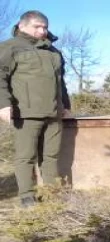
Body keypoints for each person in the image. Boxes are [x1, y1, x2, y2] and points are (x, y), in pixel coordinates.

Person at [0, 10, 71, 207]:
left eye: (45, 27)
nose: (42, 30)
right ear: (22, 26)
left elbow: (61, 82)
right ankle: (27, 196)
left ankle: (51, 193)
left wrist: (66, 106)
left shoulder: (53, 51)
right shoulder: (10, 47)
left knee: (51, 156)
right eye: (37, 26)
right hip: (26, 113)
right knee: (26, 157)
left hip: (54, 113)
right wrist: (4, 105)